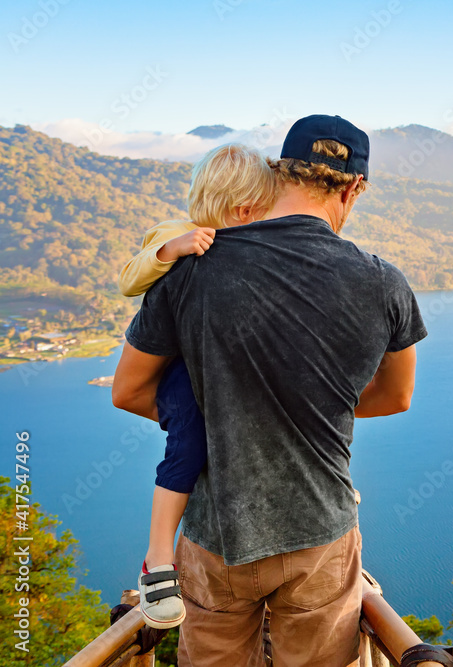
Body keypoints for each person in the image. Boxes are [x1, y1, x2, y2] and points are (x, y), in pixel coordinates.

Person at [112, 114, 427, 666]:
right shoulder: (384, 282)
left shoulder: (190, 267)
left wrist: (216, 420)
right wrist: (311, 411)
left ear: (280, 174)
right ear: (355, 188)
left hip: (215, 536)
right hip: (320, 532)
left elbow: (130, 391)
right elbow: (396, 397)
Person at [117, 143, 277, 629]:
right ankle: (158, 558)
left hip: (223, 369)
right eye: (260, 212)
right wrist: (173, 249)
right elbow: (128, 279)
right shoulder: (175, 233)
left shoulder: (254, 246)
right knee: (187, 444)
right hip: (183, 372)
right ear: (244, 208)